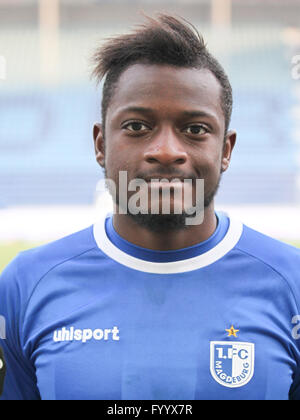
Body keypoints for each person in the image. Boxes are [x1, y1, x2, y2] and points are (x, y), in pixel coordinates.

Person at [1, 14, 300, 401]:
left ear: (225, 151)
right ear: (100, 144)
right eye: (137, 127)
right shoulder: (25, 285)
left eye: (194, 130)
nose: (166, 151)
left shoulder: (291, 284)